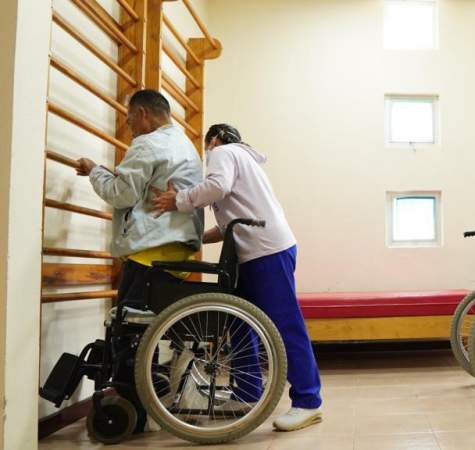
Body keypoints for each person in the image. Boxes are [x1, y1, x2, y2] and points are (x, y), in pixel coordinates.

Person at [150, 123, 322, 432]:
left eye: (207, 149)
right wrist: (198, 239)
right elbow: (228, 223)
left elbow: (217, 187)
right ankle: (246, 393)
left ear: (212, 140)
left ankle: (308, 402)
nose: (207, 155)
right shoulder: (242, 159)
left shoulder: (223, 152)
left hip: (266, 251)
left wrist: (178, 200)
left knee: (284, 325)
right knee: (239, 320)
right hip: (257, 250)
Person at [75, 89, 204, 431]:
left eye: (130, 117)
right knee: (149, 332)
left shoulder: (148, 145)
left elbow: (122, 193)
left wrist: (94, 172)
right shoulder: (183, 142)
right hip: (176, 253)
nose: (128, 125)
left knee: (126, 334)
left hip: (150, 252)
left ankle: (130, 408)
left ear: (144, 113)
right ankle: (151, 394)